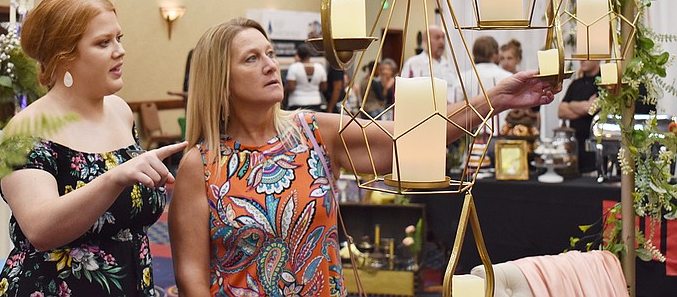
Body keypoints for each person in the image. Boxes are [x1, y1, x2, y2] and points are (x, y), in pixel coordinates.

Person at [168, 18, 556, 296]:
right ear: (221, 80)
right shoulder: (200, 165)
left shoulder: (313, 131)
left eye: (270, 53)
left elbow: (410, 139)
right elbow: (191, 279)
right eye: (251, 59)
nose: (271, 64)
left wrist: (495, 100)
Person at [0, 0, 186, 297]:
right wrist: (115, 178)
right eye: (103, 43)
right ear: (63, 55)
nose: (120, 51)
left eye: (119, 38)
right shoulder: (26, 130)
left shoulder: (120, 112)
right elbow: (40, 229)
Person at [558, 60, 600, 173]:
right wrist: (586, 106)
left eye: (587, 56)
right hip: (575, 148)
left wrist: (571, 105)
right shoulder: (576, 84)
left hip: (595, 149)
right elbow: (561, 111)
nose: (582, 59)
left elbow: (595, 107)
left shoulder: (604, 83)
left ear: (598, 57)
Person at [400, 26, 459, 103]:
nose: (441, 42)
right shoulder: (412, 64)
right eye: (437, 38)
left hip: (450, 111)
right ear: (426, 40)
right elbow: (404, 92)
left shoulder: (450, 65)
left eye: (443, 38)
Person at [285, 43, 327, 111]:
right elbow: (324, 87)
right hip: (315, 103)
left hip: (297, 104)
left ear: (298, 54)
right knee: (313, 121)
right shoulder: (320, 67)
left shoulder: (294, 67)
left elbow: (291, 87)